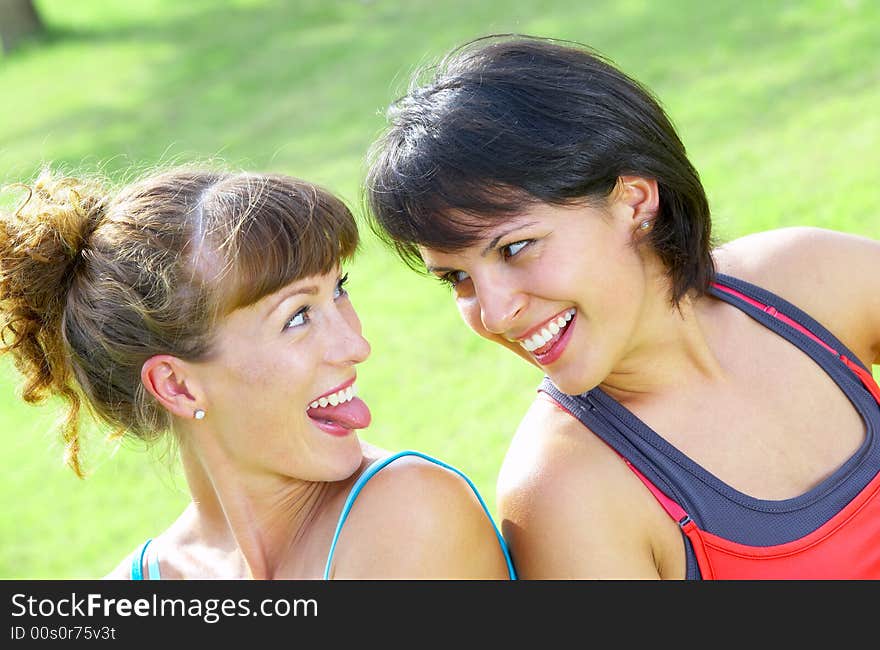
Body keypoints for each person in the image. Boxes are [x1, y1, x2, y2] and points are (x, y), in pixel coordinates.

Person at [364, 34, 880, 579]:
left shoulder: (809, 278)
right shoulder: (568, 490)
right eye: (457, 279)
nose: (495, 314)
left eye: (515, 248)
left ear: (633, 199)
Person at [0, 166, 516, 580]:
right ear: (176, 385)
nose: (356, 345)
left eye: (339, 289)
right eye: (297, 317)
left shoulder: (410, 516)